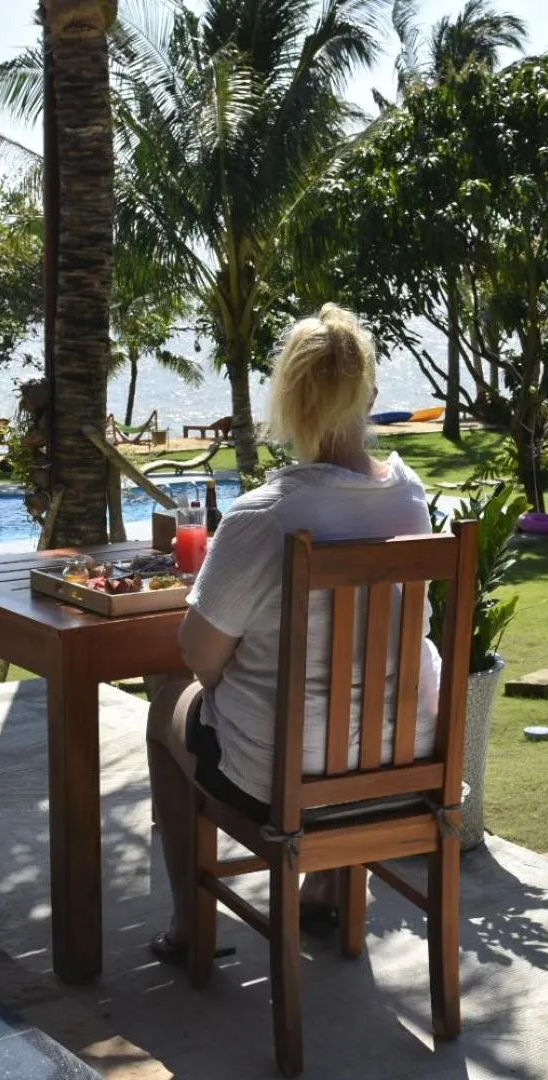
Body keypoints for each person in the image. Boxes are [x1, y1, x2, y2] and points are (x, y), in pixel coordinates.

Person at [145, 304, 441, 964]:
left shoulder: (264, 517)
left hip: (282, 775)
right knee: (340, 714)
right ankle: (324, 893)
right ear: (369, 393)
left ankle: (192, 925)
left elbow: (199, 656)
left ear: (288, 399)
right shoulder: (410, 498)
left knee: (167, 701)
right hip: (402, 760)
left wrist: (223, 678)